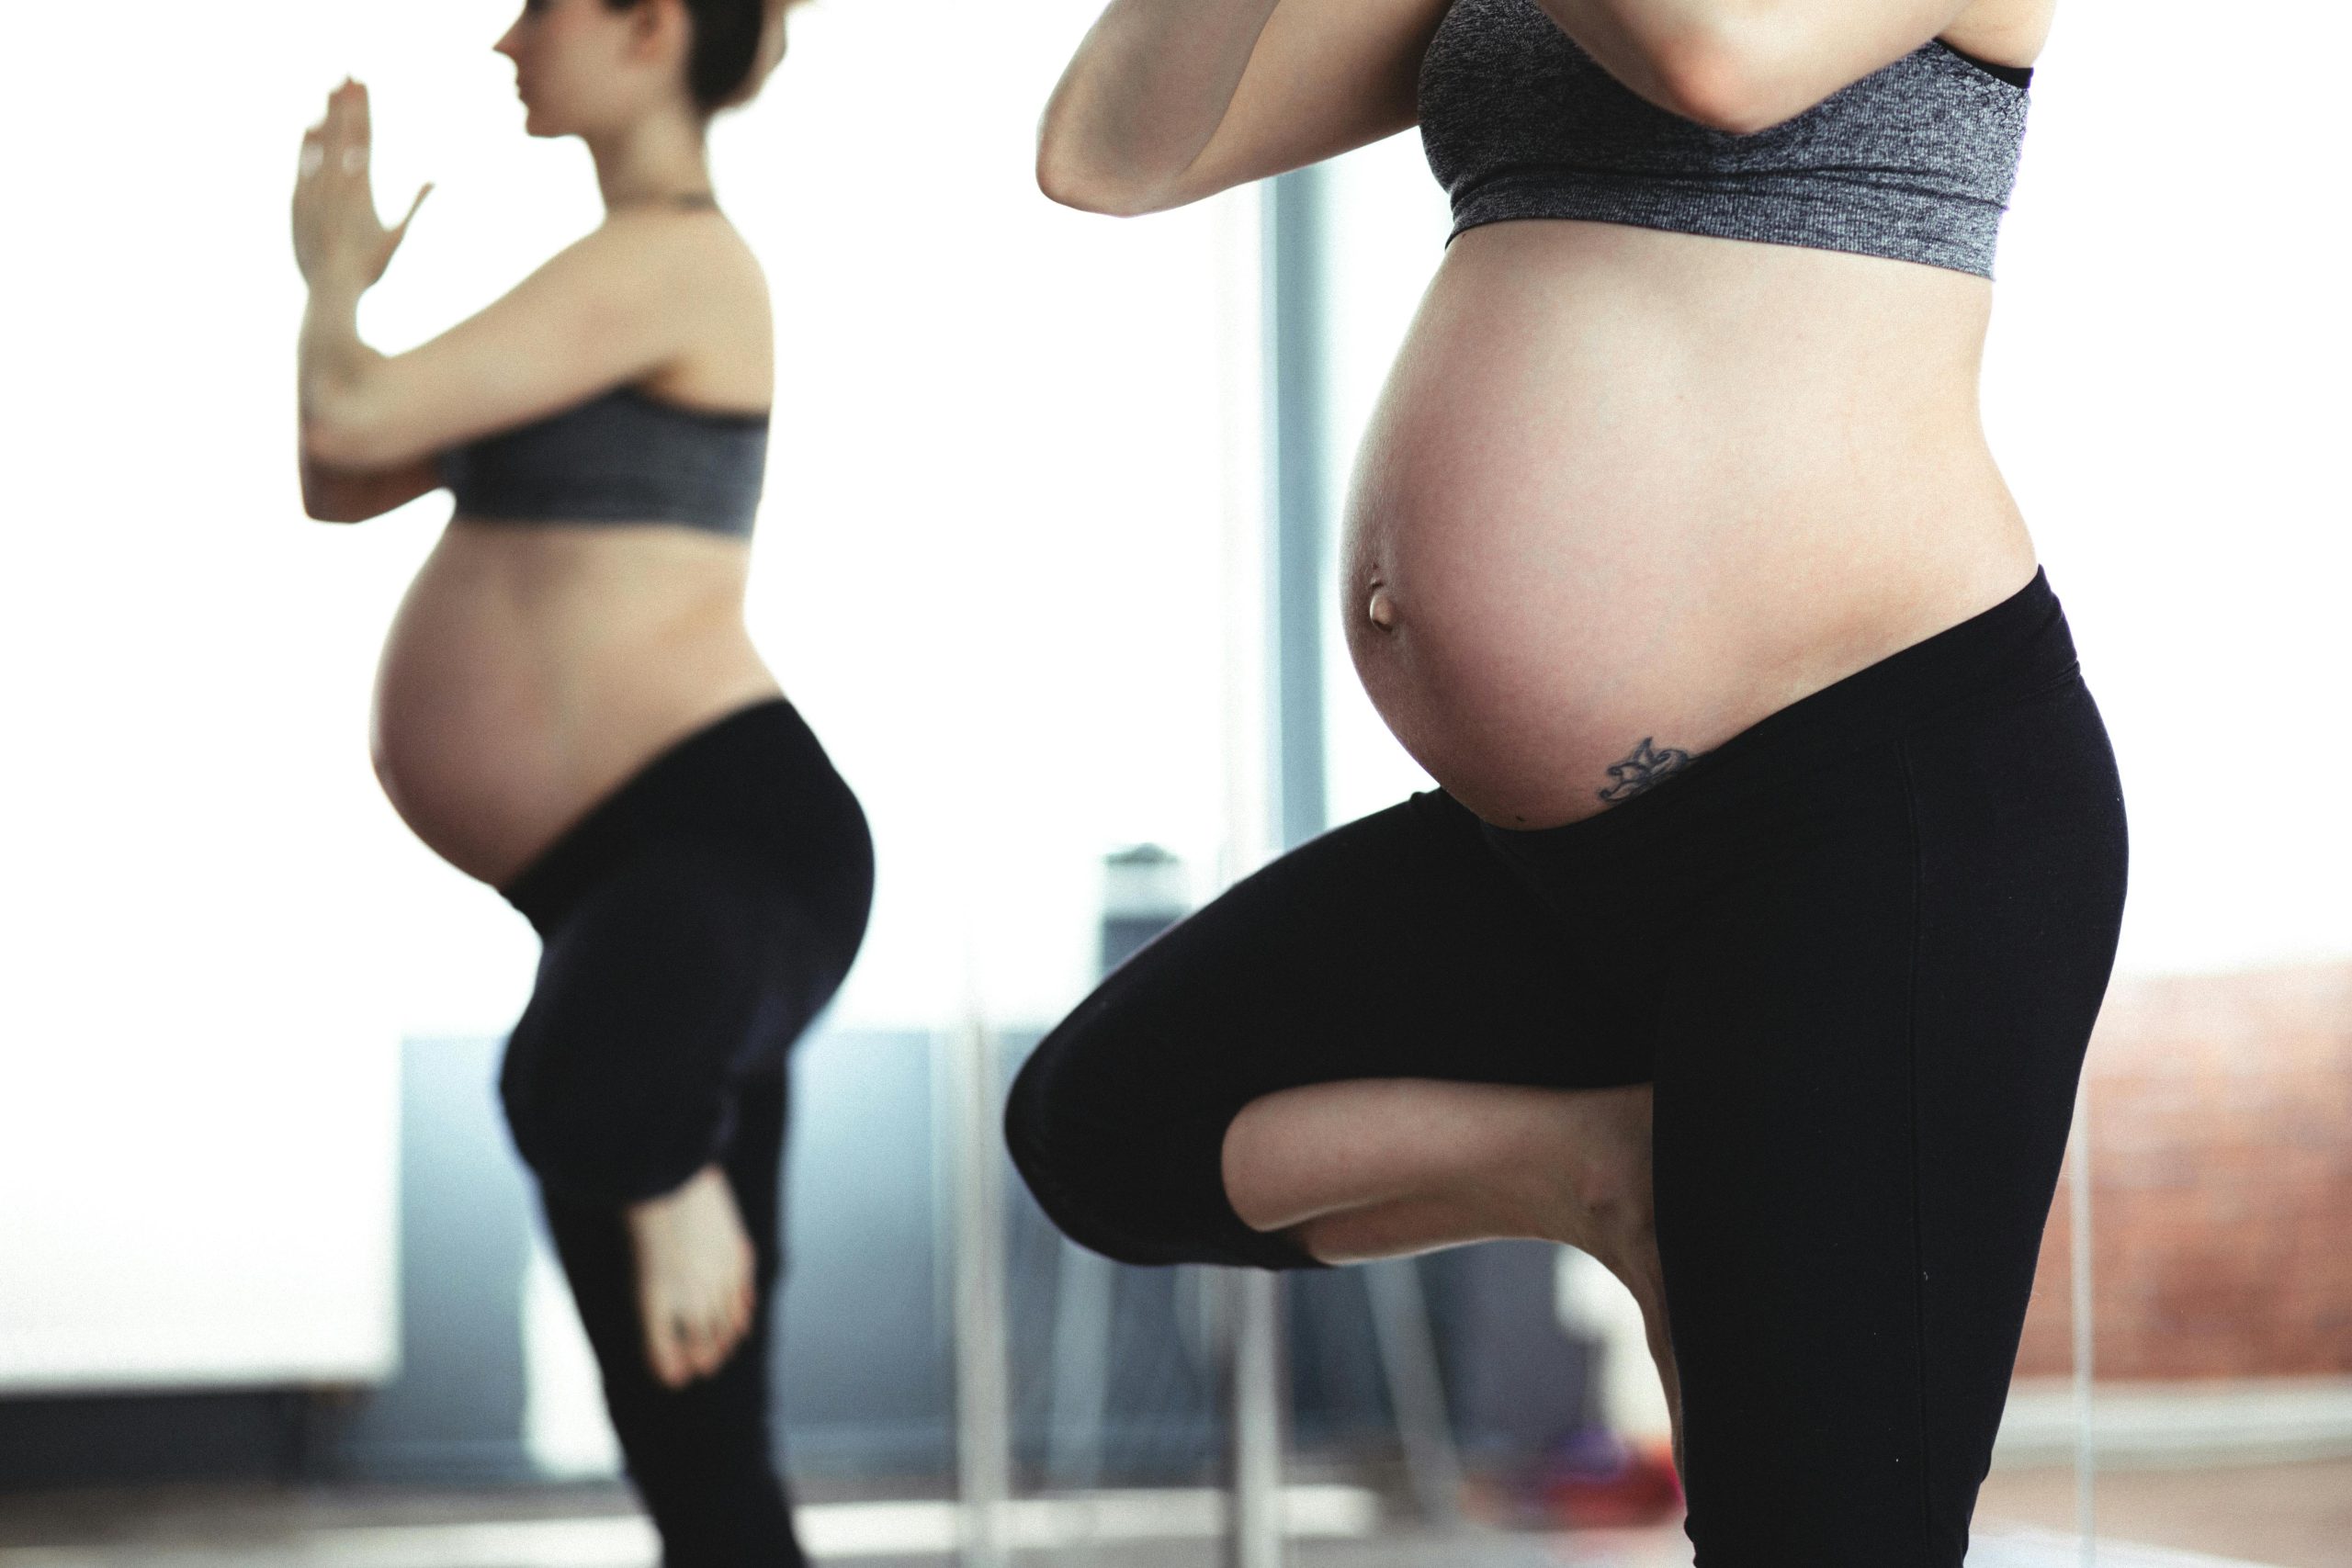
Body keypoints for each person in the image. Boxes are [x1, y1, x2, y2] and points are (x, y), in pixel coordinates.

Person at [1003, 0, 2126, 1561]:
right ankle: (1606, 1173)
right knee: (1110, 1124)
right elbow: (1109, 154)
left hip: (1869, 808)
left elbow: (1719, 61)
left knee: (1818, 1534)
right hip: (1560, 859)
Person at [289, 3, 865, 1560]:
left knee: (585, 1093)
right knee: (694, 1444)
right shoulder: (603, 282)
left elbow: (347, 405)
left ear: (648, 25)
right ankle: (655, 1152)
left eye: (541, 5)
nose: (505, 42)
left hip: (723, 844)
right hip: (634, 881)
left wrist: (337, 273)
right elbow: (339, 478)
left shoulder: (676, 260)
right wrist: (334, 292)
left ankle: (663, 1158)